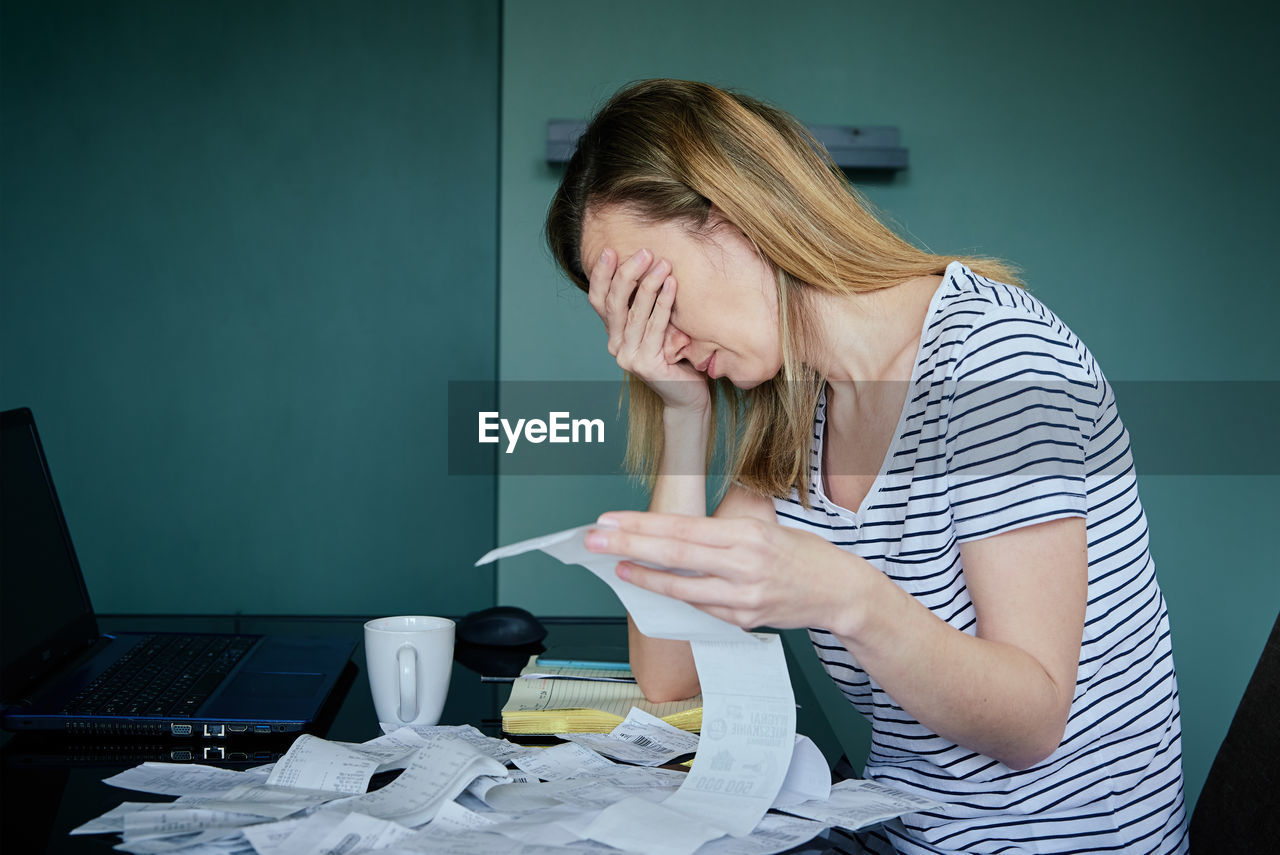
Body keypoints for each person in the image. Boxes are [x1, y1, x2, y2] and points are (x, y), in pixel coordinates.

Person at [544, 79, 1189, 854]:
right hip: (901, 831)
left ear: (735, 213)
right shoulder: (801, 408)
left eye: (650, 293)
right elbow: (671, 673)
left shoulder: (997, 361)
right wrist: (685, 417)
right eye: (624, 311)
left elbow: (1031, 720)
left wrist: (844, 593)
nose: (656, 336)